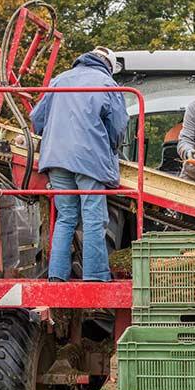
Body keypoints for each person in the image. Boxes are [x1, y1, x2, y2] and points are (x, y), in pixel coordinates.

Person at [30, 46, 128, 282]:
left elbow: (36, 119)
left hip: (55, 159)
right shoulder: (107, 84)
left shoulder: (59, 80)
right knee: (94, 217)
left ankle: (57, 276)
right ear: (109, 66)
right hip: (90, 160)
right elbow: (117, 128)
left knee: (66, 216)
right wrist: (112, 150)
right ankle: (95, 276)